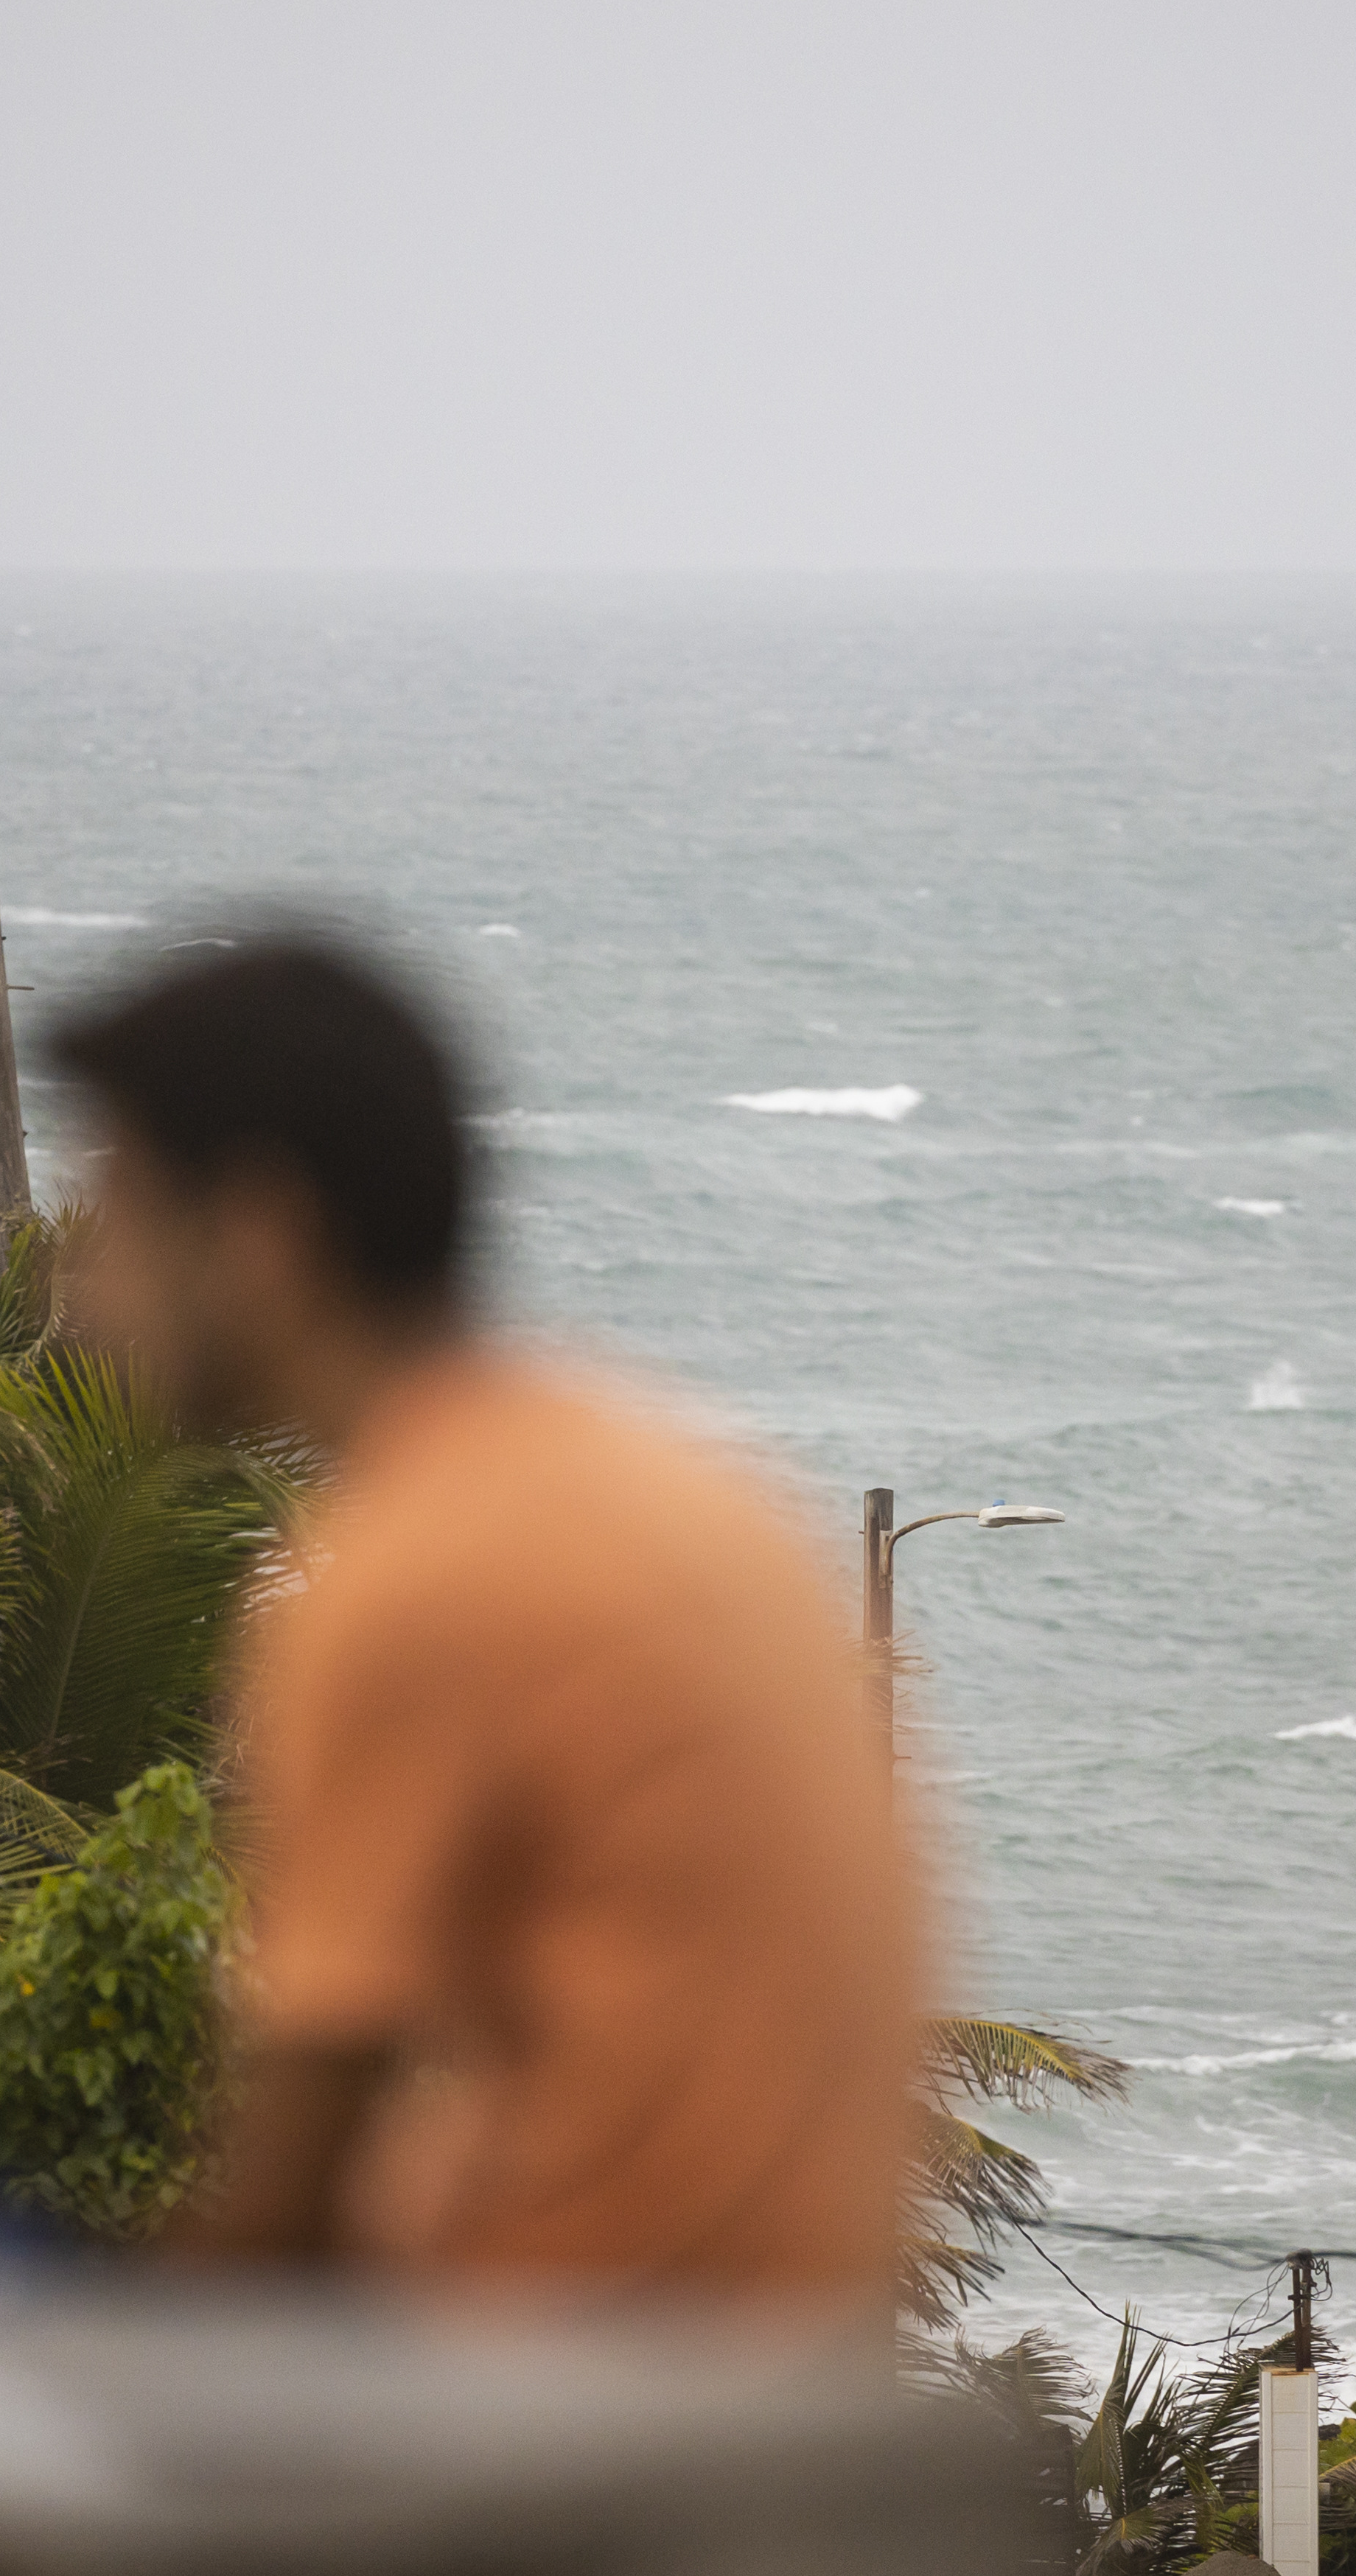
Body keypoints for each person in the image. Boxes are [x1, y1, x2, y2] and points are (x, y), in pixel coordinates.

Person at [52, 932, 928, 2317]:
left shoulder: (410, 1572)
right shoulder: (651, 1472)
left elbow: (285, 2204)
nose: (80, 1291)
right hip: (768, 2373)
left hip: (571, 2410)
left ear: (258, 1236)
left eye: (117, 1221)